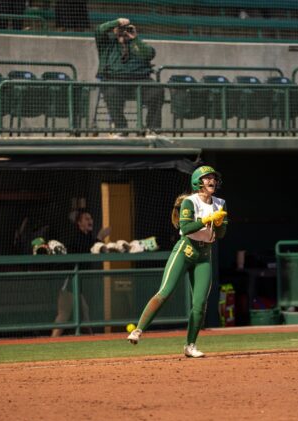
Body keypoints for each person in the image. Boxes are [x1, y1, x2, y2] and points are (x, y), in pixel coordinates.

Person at [126, 166, 228, 358]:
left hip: (205, 254)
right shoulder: (190, 202)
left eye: (213, 177)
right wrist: (207, 219)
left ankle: (190, 345)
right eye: (207, 178)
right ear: (198, 182)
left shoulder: (220, 203)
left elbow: (221, 234)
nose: (211, 181)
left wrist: (220, 224)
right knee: (165, 291)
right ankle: (138, 330)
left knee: (200, 304)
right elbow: (186, 227)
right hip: (185, 250)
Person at [95, 18, 164, 135]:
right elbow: (99, 30)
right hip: (114, 80)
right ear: (114, 30)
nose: (123, 32)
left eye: (126, 29)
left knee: (157, 91)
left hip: (141, 80)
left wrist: (134, 39)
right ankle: (121, 128)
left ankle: (152, 129)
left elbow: (149, 54)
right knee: (110, 92)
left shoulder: (137, 44)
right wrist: (117, 22)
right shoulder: (107, 44)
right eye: (120, 29)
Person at [51, 209, 99, 337]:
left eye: (91, 218)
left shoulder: (87, 237)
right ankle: (52, 341)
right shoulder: (76, 237)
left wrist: (99, 238)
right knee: (64, 314)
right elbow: (85, 249)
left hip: (78, 282)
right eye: (86, 219)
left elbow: (91, 246)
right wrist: (100, 238)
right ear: (79, 223)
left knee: (84, 311)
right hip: (70, 281)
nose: (90, 221)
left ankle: (91, 339)